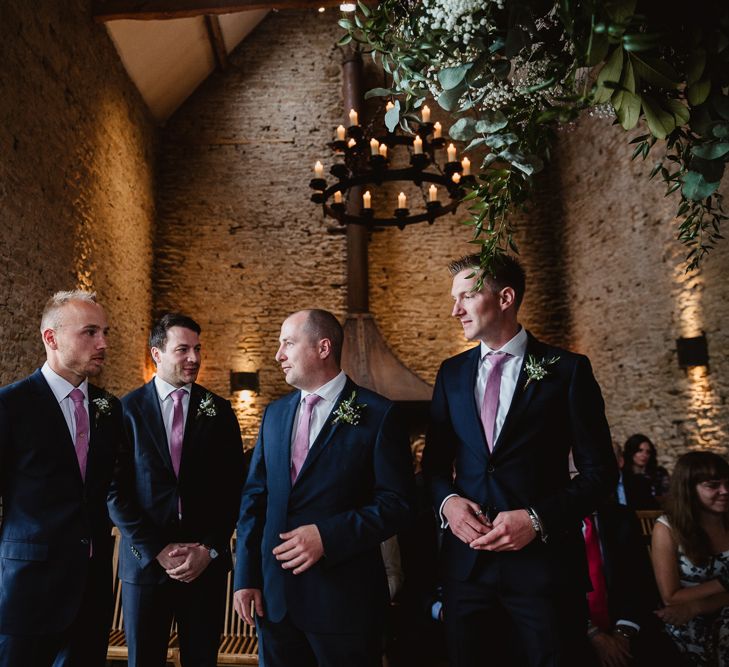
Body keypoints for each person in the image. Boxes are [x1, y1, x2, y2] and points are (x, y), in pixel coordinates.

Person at [422, 254, 618, 666]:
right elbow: (434, 468)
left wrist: (536, 519)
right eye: (454, 298)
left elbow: (600, 475)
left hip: (544, 573)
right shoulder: (450, 374)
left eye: (466, 296)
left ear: (506, 297)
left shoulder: (568, 371)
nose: (454, 309)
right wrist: (448, 504)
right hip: (467, 572)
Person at [234, 309, 414, 667]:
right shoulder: (274, 415)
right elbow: (255, 500)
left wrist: (328, 537)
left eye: (287, 343)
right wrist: (246, 577)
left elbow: (399, 504)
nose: (278, 355)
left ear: (323, 347)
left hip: (344, 605)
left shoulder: (379, 414)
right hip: (275, 603)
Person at [108, 313, 245, 667]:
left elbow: (233, 491)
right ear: (156, 353)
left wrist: (209, 549)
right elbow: (114, 491)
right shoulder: (126, 411)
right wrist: (157, 549)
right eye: (183, 349)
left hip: (204, 568)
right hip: (145, 566)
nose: (194, 358)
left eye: (197, 349)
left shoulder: (220, 412)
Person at [0, 290, 124, 666]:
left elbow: (111, 488)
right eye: (89, 332)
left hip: (93, 587)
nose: (102, 343)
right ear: (50, 338)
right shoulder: (11, 406)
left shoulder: (109, 408)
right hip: (28, 588)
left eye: (104, 332)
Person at [651, 451, 729, 665]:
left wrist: (699, 605)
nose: (725, 491)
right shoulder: (668, 527)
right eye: (713, 485)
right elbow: (671, 597)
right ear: (689, 489)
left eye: (727, 482)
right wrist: (723, 583)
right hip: (687, 622)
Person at [622, 434, 670, 508]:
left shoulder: (660, 473)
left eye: (648, 452)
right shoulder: (623, 474)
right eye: (640, 451)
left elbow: (666, 497)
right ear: (631, 452)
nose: (644, 455)